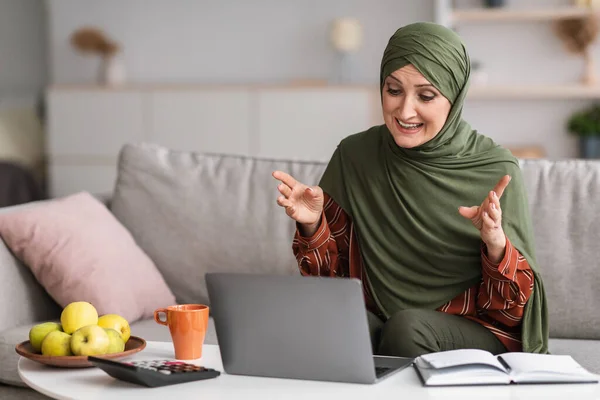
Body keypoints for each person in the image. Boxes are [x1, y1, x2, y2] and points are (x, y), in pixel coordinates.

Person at [272, 22, 548, 358]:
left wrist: (495, 244)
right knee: (342, 324)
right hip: (384, 321)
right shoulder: (355, 155)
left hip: (472, 326)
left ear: (455, 95)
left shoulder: (495, 170)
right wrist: (314, 225)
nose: (405, 111)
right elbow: (331, 286)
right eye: (394, 90)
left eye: (426, 95)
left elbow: (512, 310)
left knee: (406, 330)